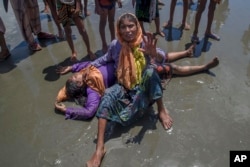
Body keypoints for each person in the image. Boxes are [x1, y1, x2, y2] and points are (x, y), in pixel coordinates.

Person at [85, 12, 219, 167]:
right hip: (124, 86)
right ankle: (100, 148)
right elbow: (105, 58)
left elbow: (163, 57)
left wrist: (153, 53)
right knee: (107, 95)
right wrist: (88, 65)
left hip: (145, 84)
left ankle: (163, 108)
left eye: (131, 26)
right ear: (119, 29)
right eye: (123, 27)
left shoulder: (144, 42)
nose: (128, 30)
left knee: (162, 69)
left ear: (137, 27)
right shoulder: (116, 45)